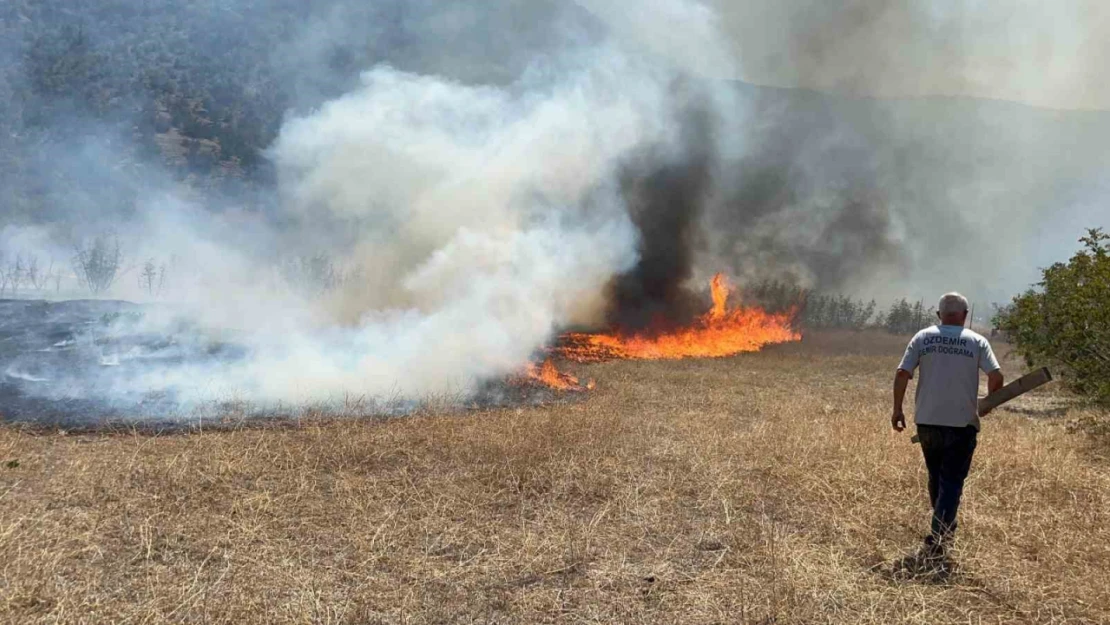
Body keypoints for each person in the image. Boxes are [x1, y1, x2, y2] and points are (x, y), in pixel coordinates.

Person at [891, 292, 1003, 567]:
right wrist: (988, 403)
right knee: (951, 481)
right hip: (961, 424)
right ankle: (939, 537)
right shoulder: (976, 341)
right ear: (965, 315)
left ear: (939, 316)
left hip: (927, 422)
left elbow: (902, 373)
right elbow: (996, 376)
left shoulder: (923, 337)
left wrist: (897, 410)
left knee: (937, 476)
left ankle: (942, 524)